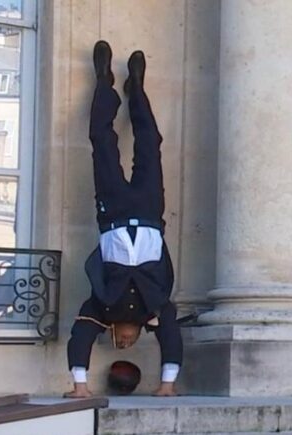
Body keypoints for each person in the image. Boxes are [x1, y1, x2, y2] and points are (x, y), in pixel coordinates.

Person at [65, 41, 181, 398]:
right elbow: (172, 338)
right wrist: (167, 385)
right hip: (148, 212)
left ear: (113, 333)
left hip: (113, 213)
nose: (127, 344)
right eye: (130, 346)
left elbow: (80, 336)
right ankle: (137, 90)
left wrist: (80, 387)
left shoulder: (100, 305)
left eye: (121, 345)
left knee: (102, 144)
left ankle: (104, 85)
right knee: (150, 145)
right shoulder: (155, 310)